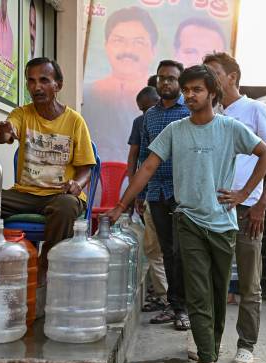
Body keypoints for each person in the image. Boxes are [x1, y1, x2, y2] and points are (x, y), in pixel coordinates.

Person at [106, 64, 266, 363]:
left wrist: (243, 194)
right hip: (189, 221)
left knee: (215, 294)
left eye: (196, 89)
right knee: (198, 293)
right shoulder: (176, 131)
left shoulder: (230, 128)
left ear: (212, 92)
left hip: (224, 225)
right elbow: (147, 168)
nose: (190, 95)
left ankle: (207, 354)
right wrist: (122, 204)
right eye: (187, 90)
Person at [0, 57, 96, 281]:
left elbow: (86, 168)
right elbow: (7, 132)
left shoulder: (75, 121)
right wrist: (2, 132)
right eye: (31, 81)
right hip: (23, 194)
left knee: (65, 207)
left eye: (44, 80)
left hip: (60, 195)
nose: (37, 87)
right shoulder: (22, 114)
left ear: (58, 85)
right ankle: (1, 254)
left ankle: (46, 263)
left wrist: (77, 184)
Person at [204, 52, 266, 363]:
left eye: (214, 73)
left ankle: (246, 346)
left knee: (249, 283)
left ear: (232, 77)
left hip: (247, 210)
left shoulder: (255, 109)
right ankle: (209, 345)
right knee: (213, 282)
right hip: (214, 209)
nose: (209, 79)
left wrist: (259, 203)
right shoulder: (212, 115)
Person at [130, 60, 191, 330]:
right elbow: (144, 154)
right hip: (156, 191)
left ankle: (187, 309)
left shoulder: (189, 111)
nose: (165, 83)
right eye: (161, 78)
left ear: (180, 82)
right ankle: (175, 307)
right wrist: (139, 192)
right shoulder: (150, 116)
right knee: (167, 251)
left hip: (185, 192)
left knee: (183, 252)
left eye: (171, 78)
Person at [82, 7, 157, 162]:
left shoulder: (162, 102)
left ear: (153, 50)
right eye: (118, 40)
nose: (128, 49)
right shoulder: (85, 93)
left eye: (138, 42)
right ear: (106, 45)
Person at [126, 86, 167, 312]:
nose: (145, 115)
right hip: (150, 191)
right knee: (153, 246)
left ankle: (169, 298)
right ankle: (164, 295)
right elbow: (136, 157)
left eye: (148, 108)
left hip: (172, 194)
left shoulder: (178, 118)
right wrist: (136, 192)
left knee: (166, 248)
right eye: (142, 111)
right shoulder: (141, 122)